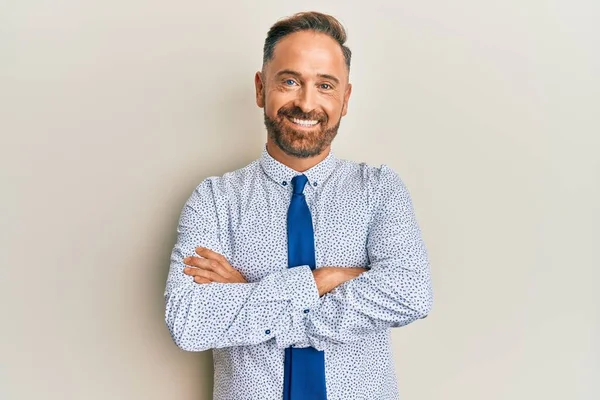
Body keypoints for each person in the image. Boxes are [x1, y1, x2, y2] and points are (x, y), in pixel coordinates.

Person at [164, 11, 433, 400]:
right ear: (261, 89)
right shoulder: (214, 200)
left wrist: (253, 294)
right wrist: (321, 280)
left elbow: (411, 293)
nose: (307, 103)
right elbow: (189, 323)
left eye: (325, 85)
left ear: (345, 99)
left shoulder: (380, 190)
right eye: (290, 81)